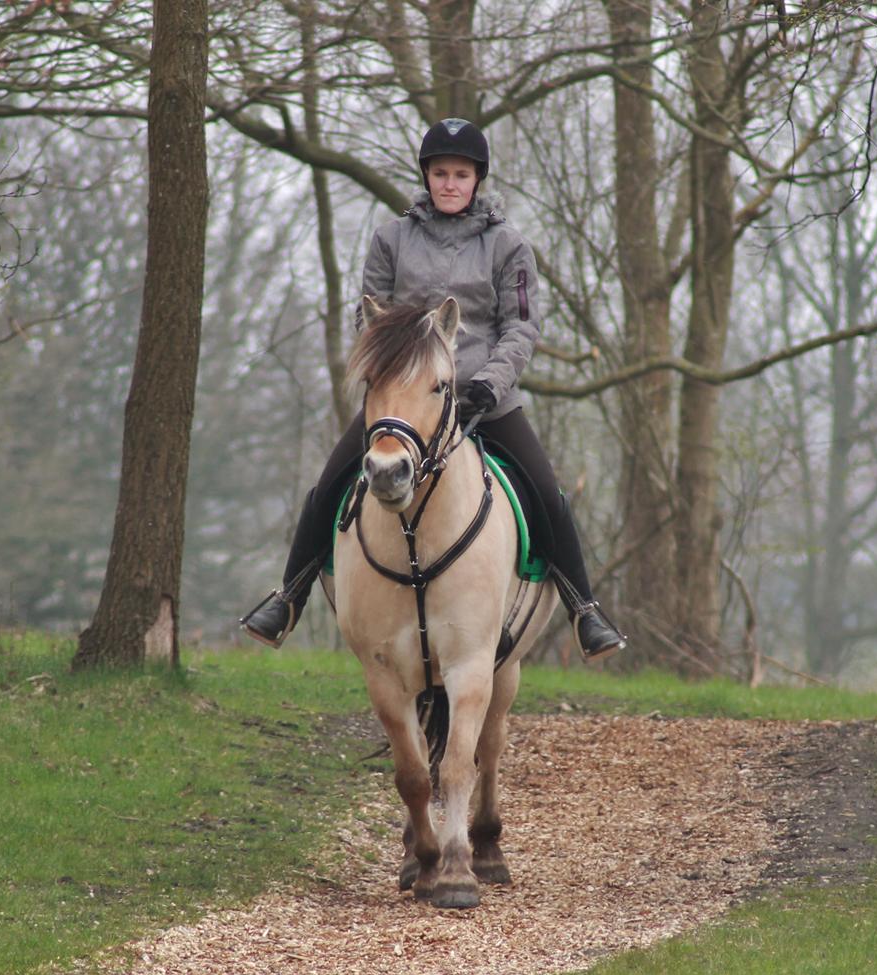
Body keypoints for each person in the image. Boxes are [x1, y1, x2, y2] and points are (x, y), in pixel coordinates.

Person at [240, 118, 626, 661]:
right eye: (440, 173)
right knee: (326, 489)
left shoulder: (508, 246)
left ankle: (585, 609)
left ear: (476, 180)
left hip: (482, 399)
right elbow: (368, 316)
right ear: (427, 176)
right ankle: (288, 597)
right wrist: (396, 374)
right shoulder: (390, 239)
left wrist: (491, 382)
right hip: (407, 401)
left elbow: (521, 327)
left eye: (460, 174)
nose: (449, 183)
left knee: (548, 494)